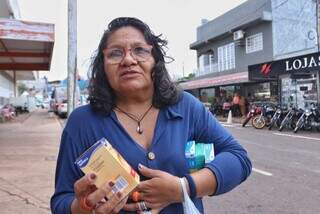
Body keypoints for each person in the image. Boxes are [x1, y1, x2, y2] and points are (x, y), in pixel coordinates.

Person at [51, 17, 252, 214]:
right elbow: (61, 201)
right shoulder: (82, 122)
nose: (128, 60)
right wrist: (83, 207)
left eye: (139, 50)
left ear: (155, 60)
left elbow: (238, 158)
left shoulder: (186, 107)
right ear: (102, 66)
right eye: (115, 53)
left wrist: (183, 187)